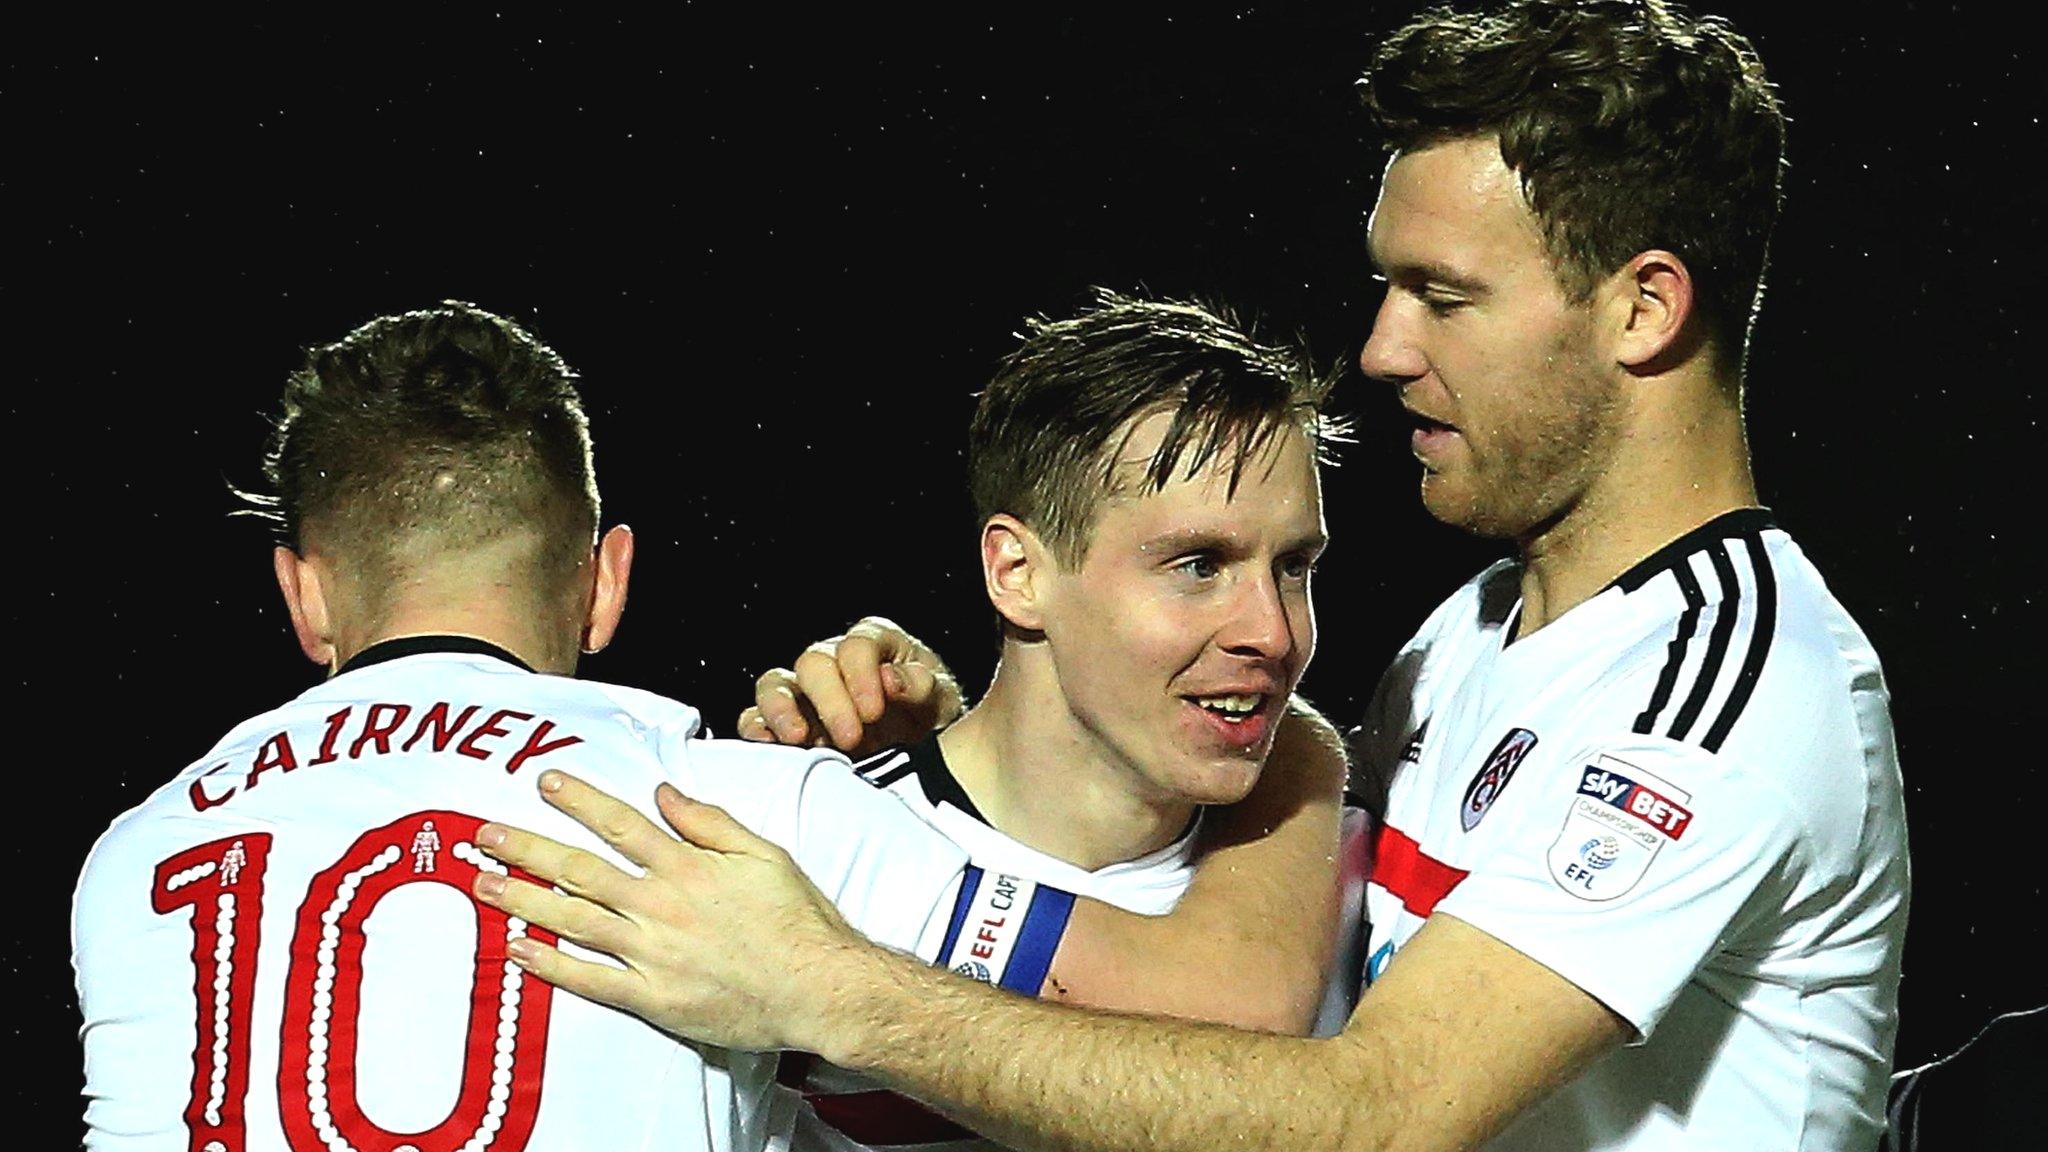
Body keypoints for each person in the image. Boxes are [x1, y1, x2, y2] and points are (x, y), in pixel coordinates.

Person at [473, 2, 1911, 1149]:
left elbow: (1378, 1115)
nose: (1385, 348)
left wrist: (823, 990)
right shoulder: (1474, 631)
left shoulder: (1729, 686)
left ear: (1646, 308)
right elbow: (1256, 965)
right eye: (1388, 284)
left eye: (1444, 295)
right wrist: (976, 746)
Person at [68, 302, 973, 1150]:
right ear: (606, 581)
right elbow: (1103, 1068)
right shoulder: (733, 816)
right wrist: (940, 781)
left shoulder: (137, 859)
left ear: (302, 595)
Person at [755, 290, 1357, 1150]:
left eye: (1294, 566)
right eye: (1197, 565)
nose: (1273, 631)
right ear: (1017, 572)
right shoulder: (798, 864)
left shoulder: (1362, 870)